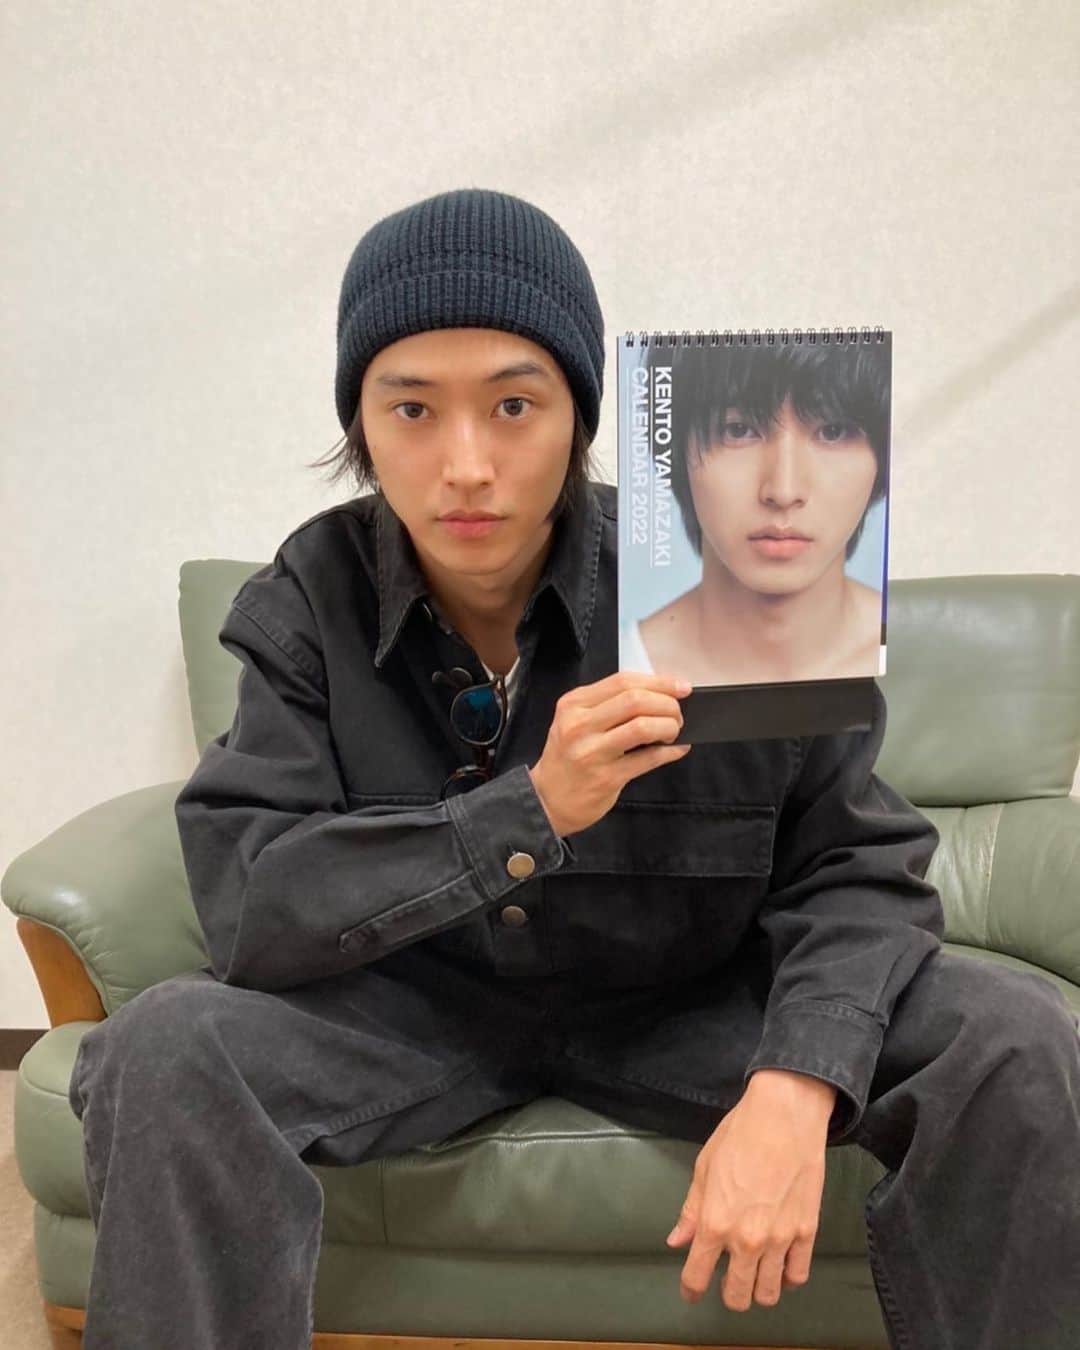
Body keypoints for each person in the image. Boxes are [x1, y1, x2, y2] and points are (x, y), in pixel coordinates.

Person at [67, 187, 1080, 1350]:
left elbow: (856, 866)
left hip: (688, 1002)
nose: (467, 466)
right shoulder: (309, 596)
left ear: (579, 416)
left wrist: (798, 1080)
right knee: (163, 1044)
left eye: (514, 404)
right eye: (411, 408)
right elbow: (251, 904)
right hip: (409, 1013)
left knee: (1010, 1034)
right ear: (361, 424)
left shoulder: (726, 558)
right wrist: (527, 811)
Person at [626, 339, 888, 687]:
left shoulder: (923, 658)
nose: (783, 491)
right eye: (738, 430)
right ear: (675, 451)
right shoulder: (616, 676)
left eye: (833, 431)